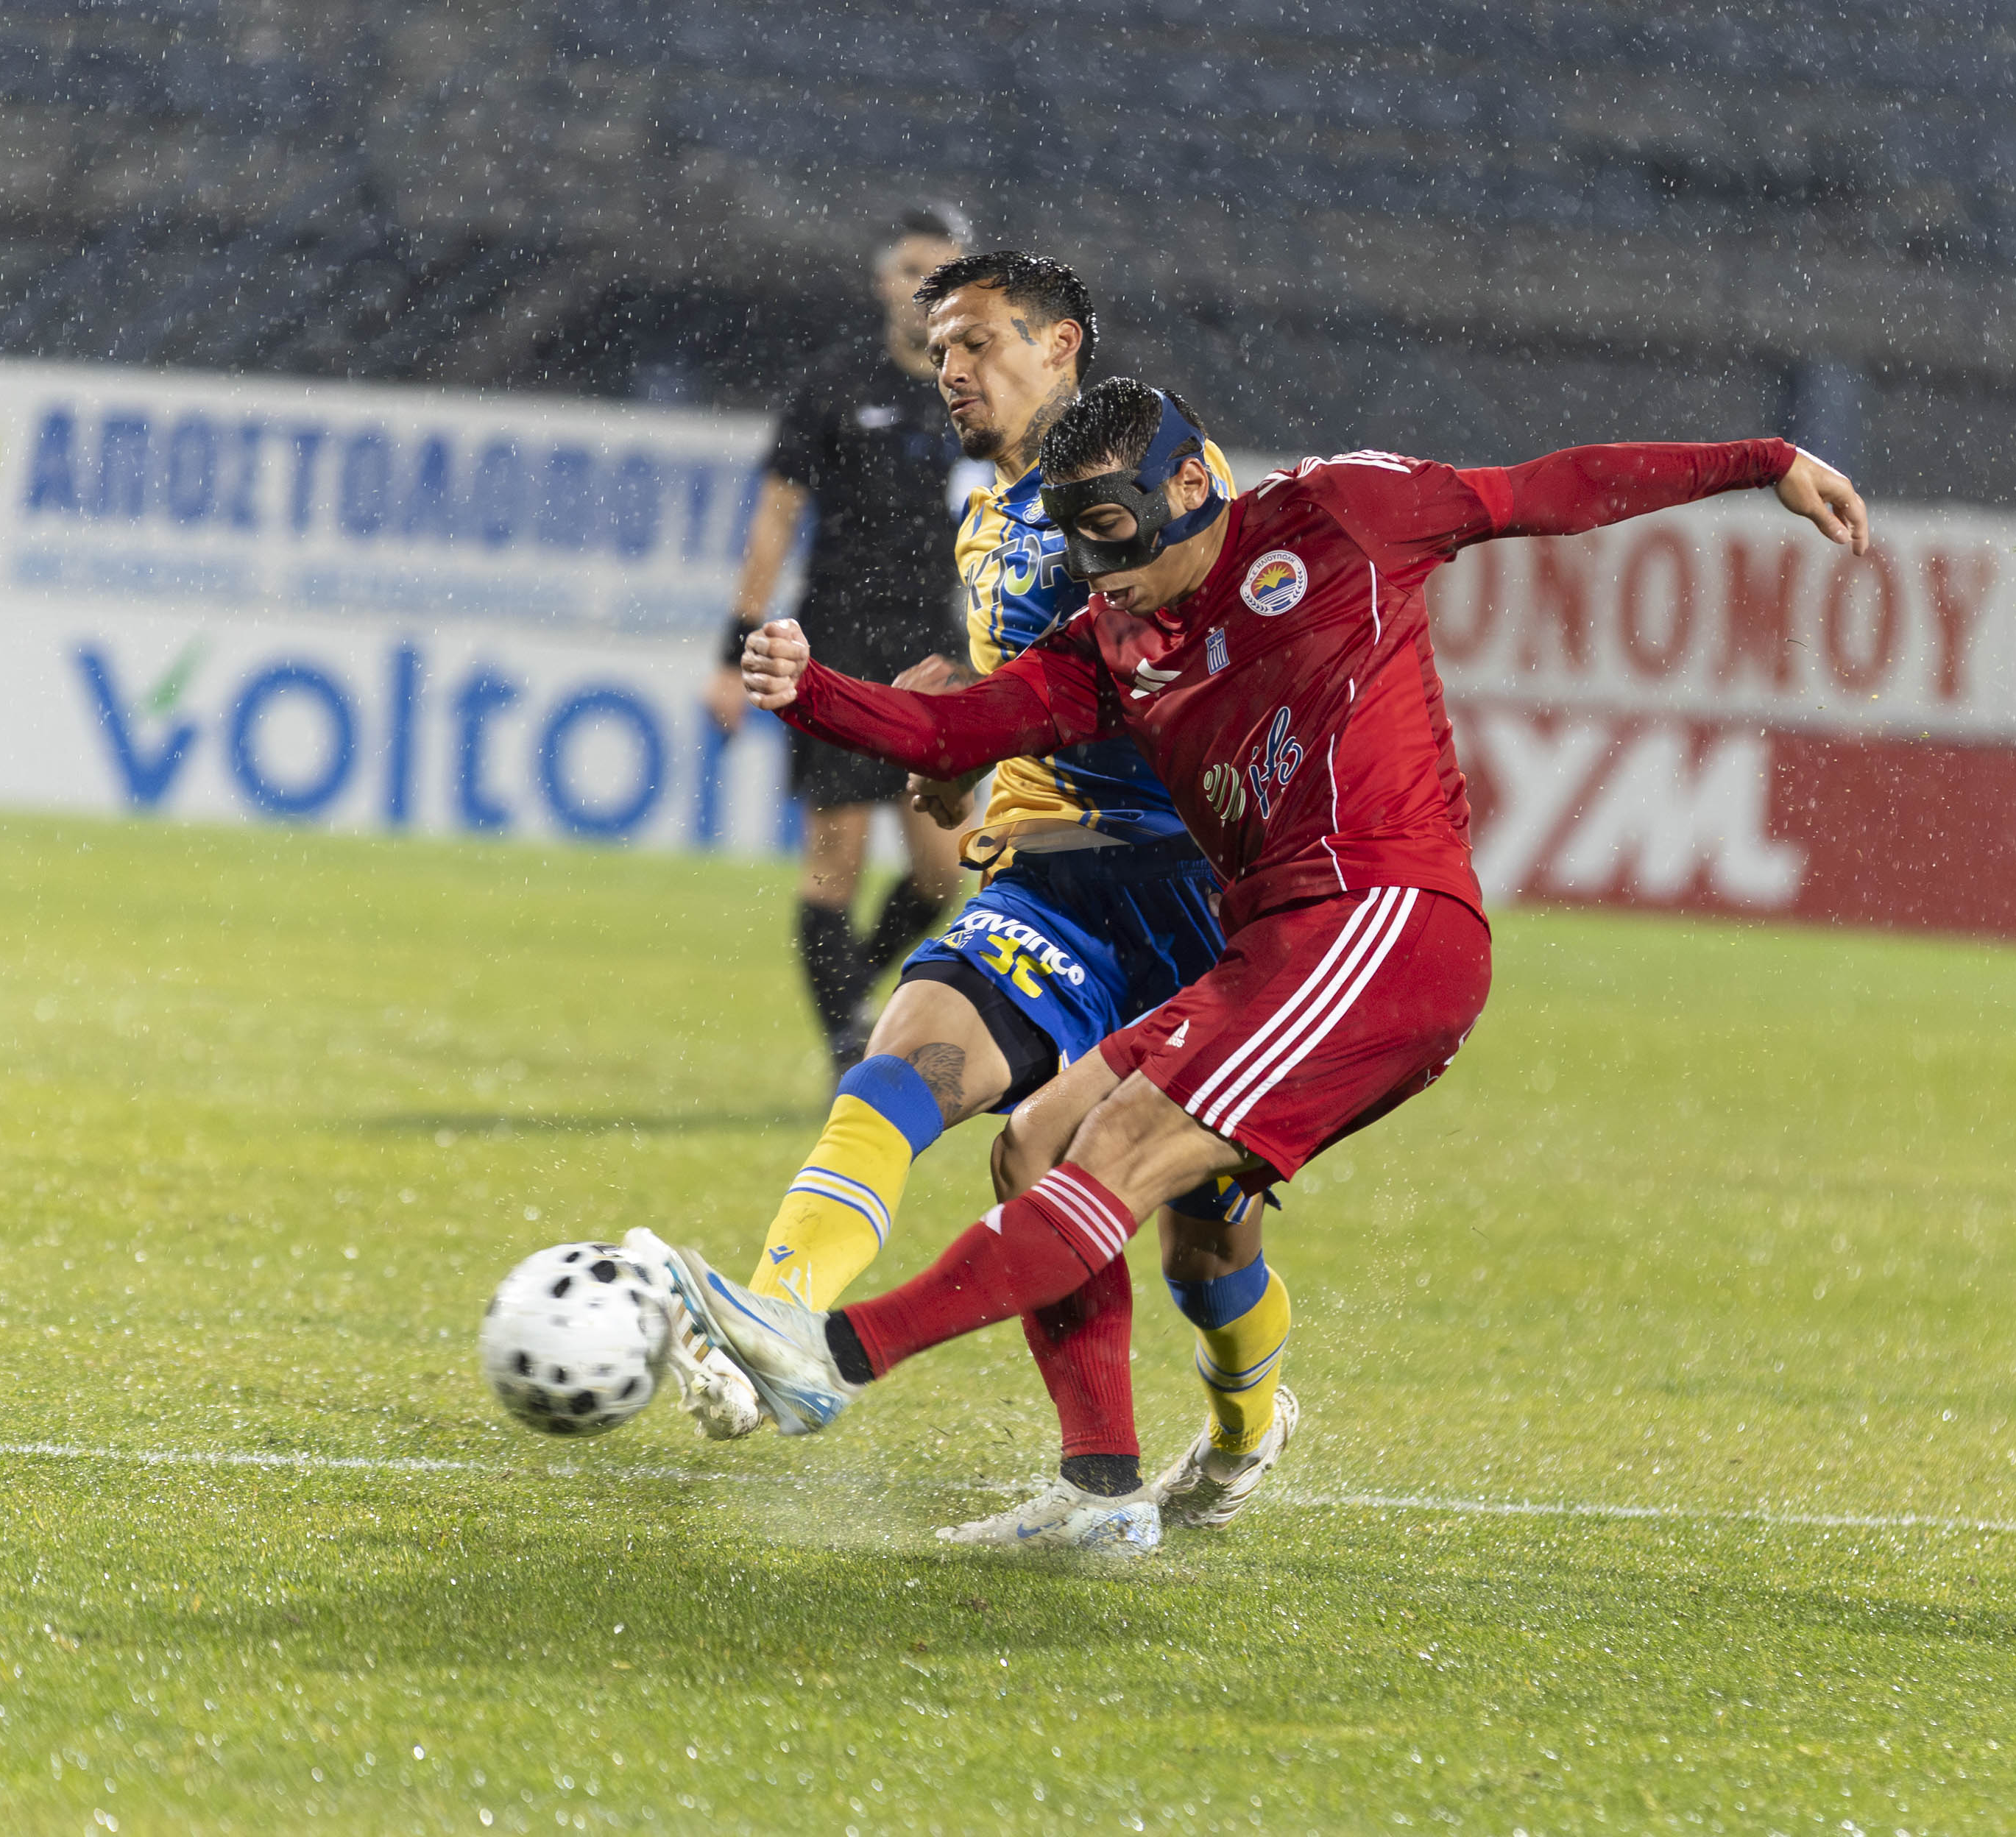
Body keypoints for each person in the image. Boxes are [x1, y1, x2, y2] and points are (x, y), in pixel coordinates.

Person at [673, 378, 1870, 1550]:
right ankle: (1103, 1493)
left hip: (1386, 920)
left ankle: (830, 1356)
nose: (1100, 567)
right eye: (1078, 540)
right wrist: (807, 692)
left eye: (1113, 529)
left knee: (1119, 1154)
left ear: (1189, 484)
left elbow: (1546, 489)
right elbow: (956, 732)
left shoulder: (1340, 512)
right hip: (1271, 945)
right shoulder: (1110, 642)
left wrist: (1761, 461)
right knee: (1039, 1144)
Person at [674, 258, 1295, 1557]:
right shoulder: (988, 523)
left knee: (1205, 1252)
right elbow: (1011, 718)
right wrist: (954, 752)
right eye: (938, 345)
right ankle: (786, 1320)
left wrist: (962, 718)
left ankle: (1244, 1428)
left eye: (975, 343)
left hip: (1204, 903)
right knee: (918, 1066)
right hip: (1055, 888)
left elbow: (1197, 677)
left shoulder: (1163, 483)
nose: (947, 368)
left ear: (1060, 345)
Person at [708, 205, 975, 1072]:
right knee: (836, 859)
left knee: (943, 872)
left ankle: (849, 993)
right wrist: (731, 655)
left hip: (935, 651)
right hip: (840, 646)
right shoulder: (834, 385)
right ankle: (847, 1046)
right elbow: (775, 519)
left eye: (944, 273)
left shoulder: (981, 396)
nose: (926, 288)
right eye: (913, 270)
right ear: (883, 282)